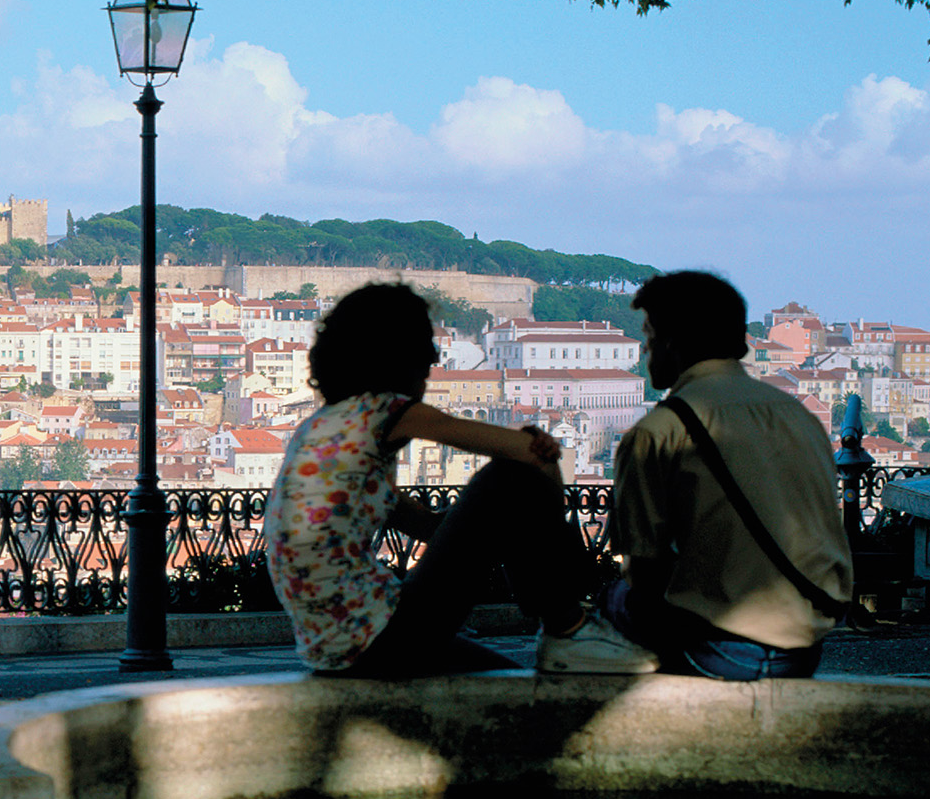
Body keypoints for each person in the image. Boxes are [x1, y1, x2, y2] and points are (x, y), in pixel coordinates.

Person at [265, 282, 653, 677]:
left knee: (503, 676)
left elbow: (427, 527)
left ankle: (568, 634)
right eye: (428, 351)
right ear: (405, 356)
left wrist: (477, 523)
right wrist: (538, 485)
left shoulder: (321, 428)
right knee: (509, 477)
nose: (433, 363)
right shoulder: (388, 411)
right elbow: (527, 456)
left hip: (341, 649)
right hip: (380, 636)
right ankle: (569, 628)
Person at [604, 271, 852, 679]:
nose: (645, 350)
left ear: (671, 342)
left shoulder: (659, 431)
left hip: (720, 650)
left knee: (613, 600)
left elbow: (643, 571)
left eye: (649, 336)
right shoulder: (799, 416)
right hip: (805, 645)